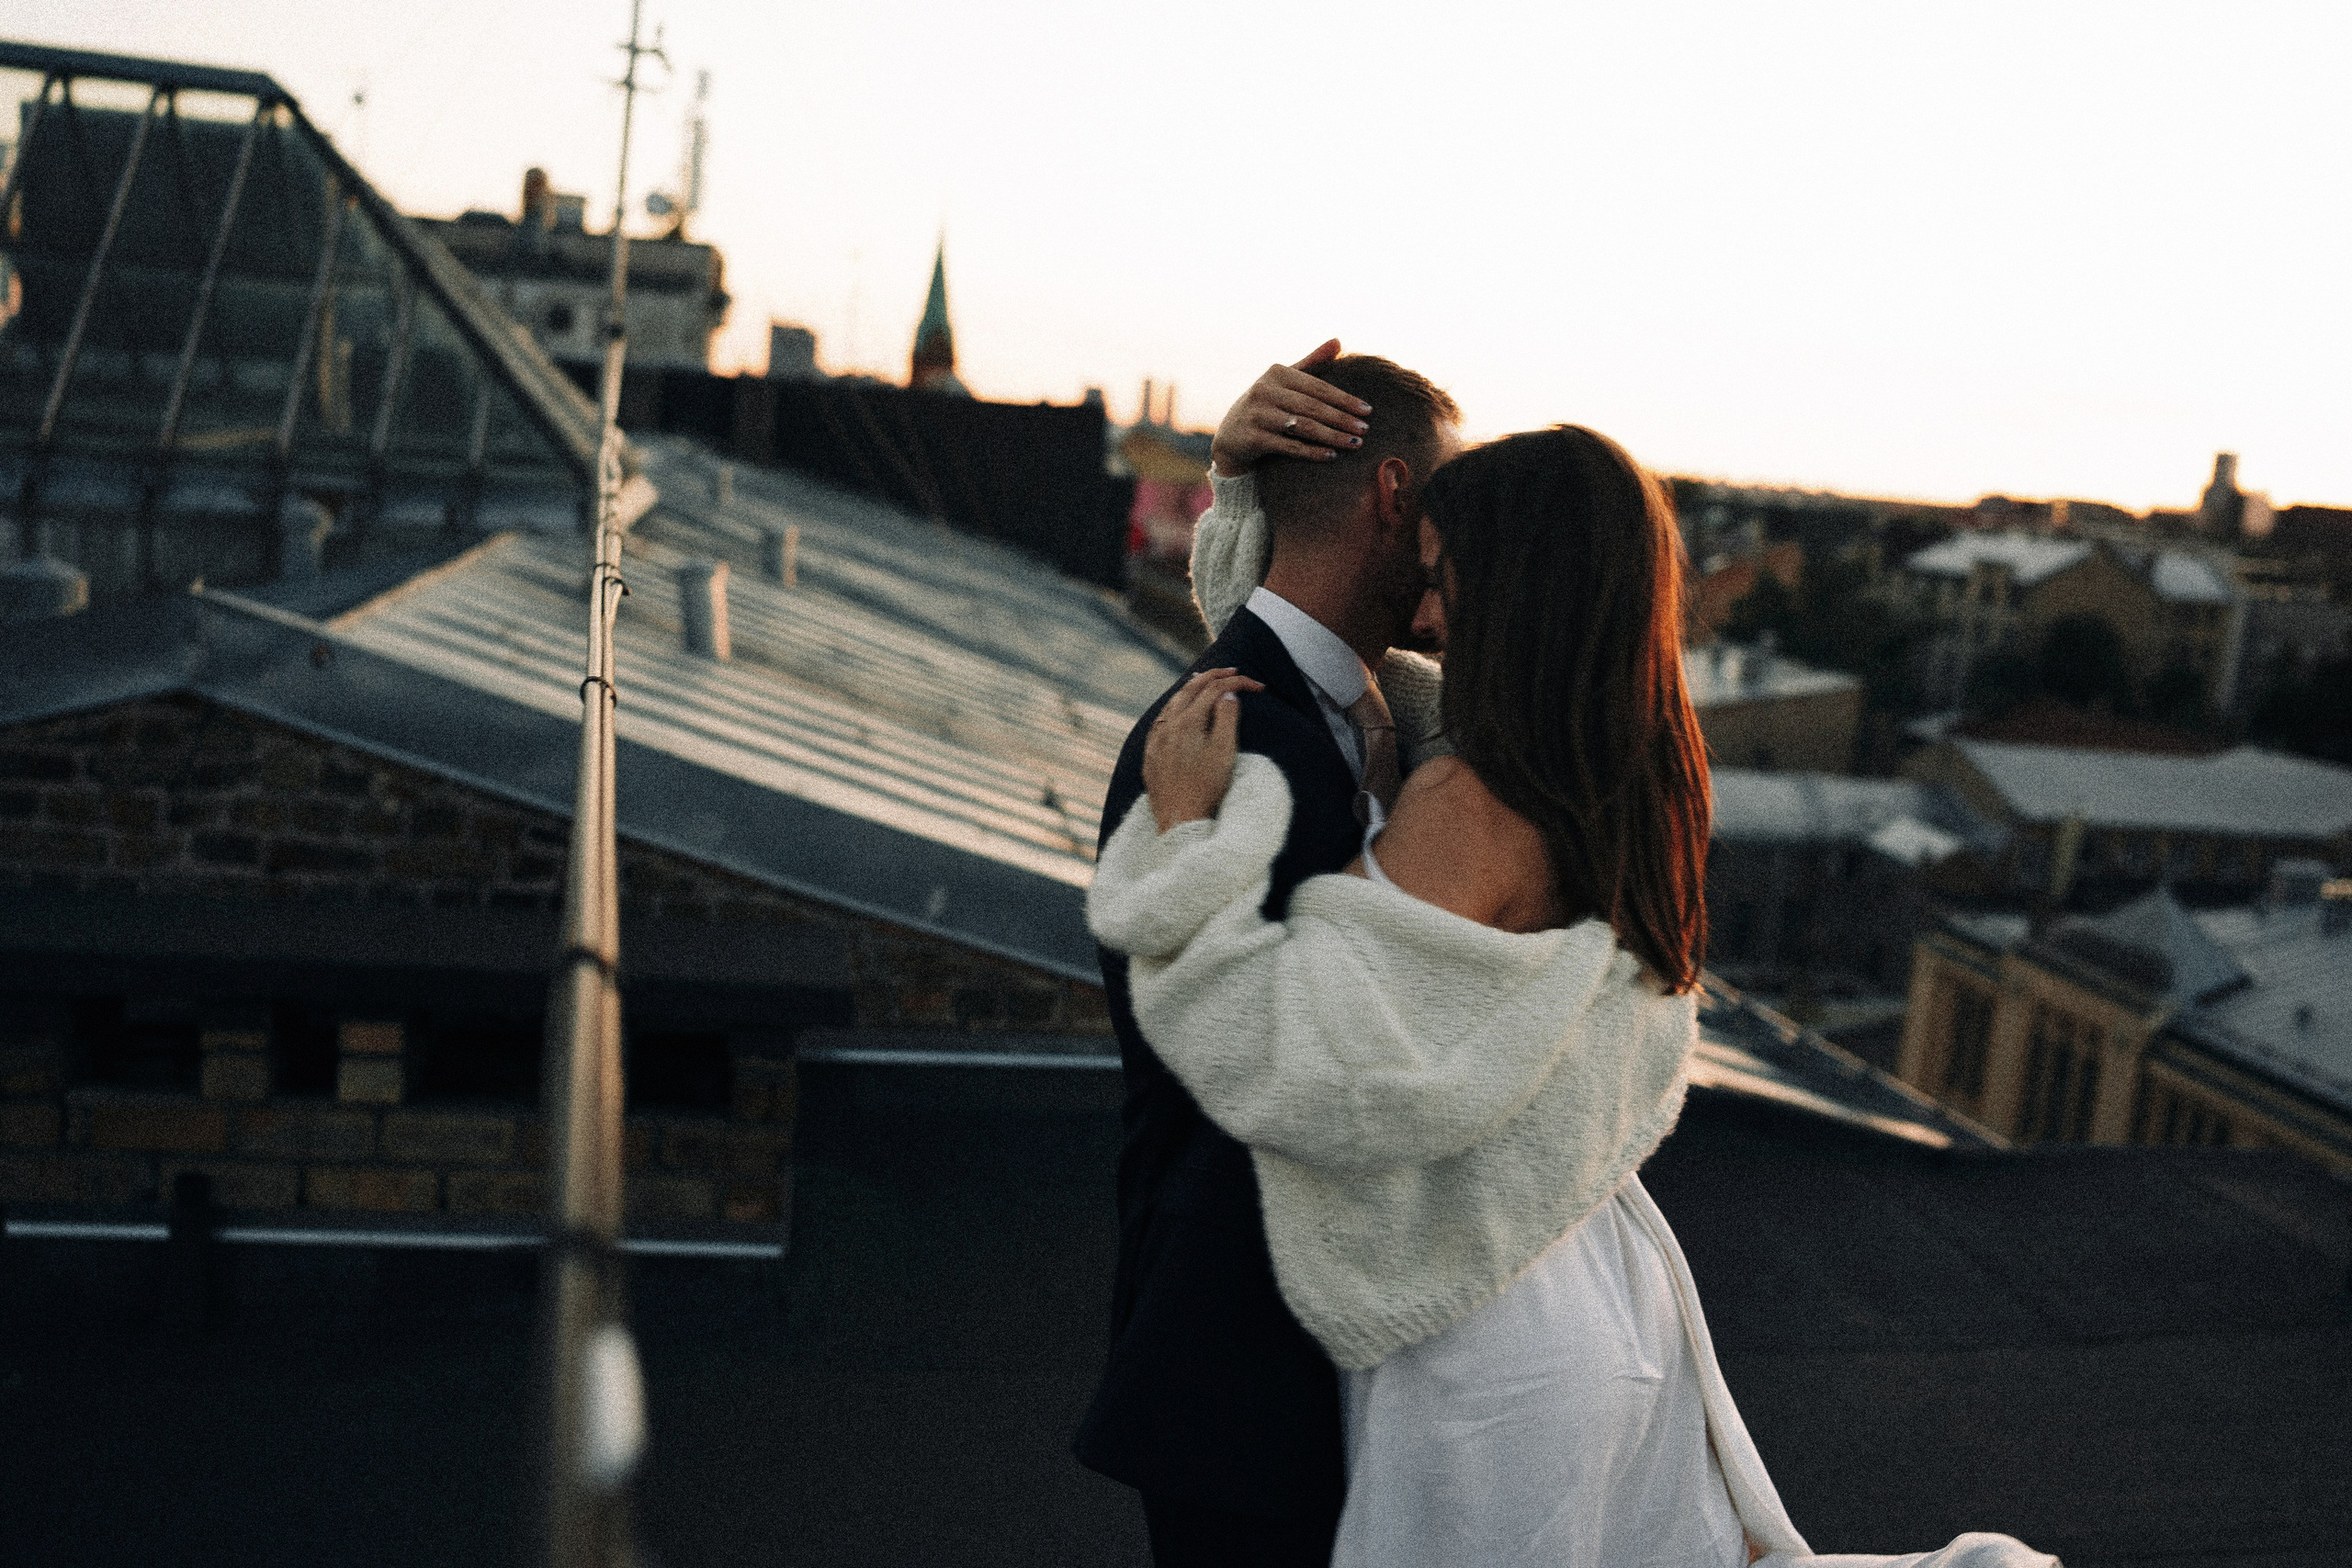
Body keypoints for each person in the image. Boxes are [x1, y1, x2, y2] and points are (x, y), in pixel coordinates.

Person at [1087, 405, 2058, 1568]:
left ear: (1513, 590)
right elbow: (1318, 663)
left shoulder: (1466, 802)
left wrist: (1184, 845)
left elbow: (1297, 1064)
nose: (1426, 614)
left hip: (1480, 1338)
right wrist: (1252, 497)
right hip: (1596, 1282)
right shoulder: (1629, 783)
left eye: (1447, 580)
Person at [1072, 343, 1462, 1568]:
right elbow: (1282, 1065)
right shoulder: (1246, 741)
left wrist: (1238, 482)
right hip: (1248, 1376)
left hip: (1283, 1363)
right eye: (1447, 502)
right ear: (1395, 494)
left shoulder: (1354, 707)